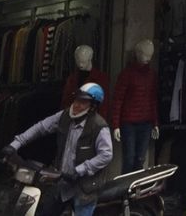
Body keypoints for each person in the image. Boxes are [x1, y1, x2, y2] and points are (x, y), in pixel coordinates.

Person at [6, 83, 113, 216]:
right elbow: (41, 127)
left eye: (83, 102)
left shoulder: (99, 126)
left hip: (84, 188)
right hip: (63, 182)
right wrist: (15, 144)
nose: (77, 104)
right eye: (77, 99)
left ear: (93, 106)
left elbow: (106, 155)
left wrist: (80, 170)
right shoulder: (64, 116)